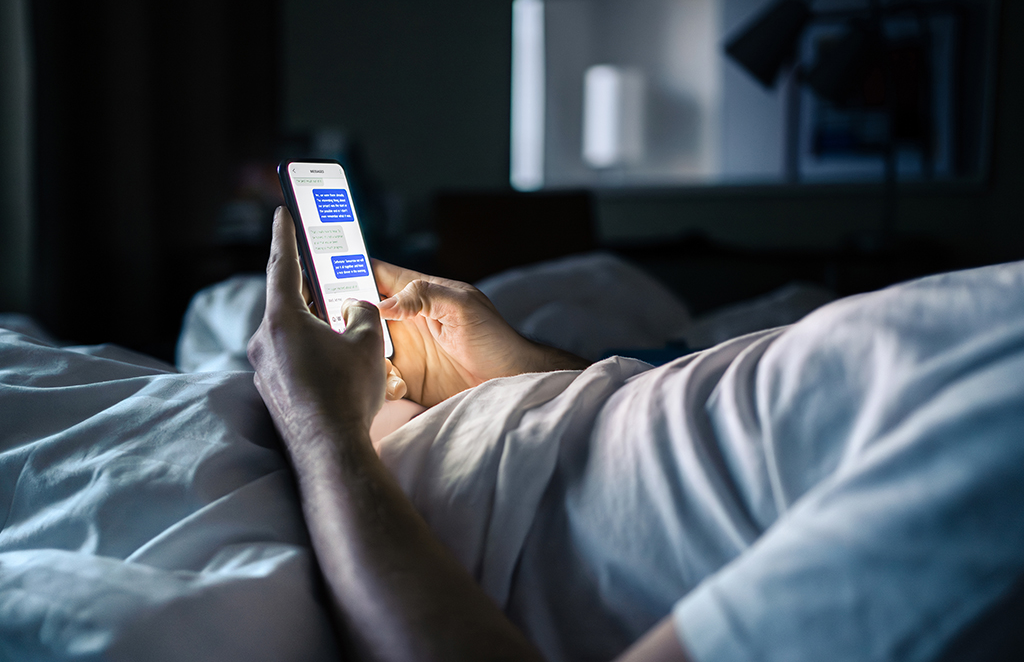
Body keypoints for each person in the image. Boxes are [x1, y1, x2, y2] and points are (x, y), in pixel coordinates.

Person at [248, 207, 1024, 662]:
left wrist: (322, 432)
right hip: (416, 421)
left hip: (358, 503)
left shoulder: (1000, 473)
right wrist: (524, 372)